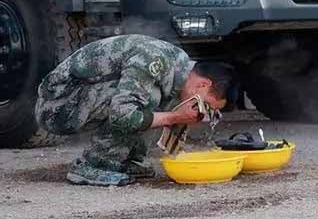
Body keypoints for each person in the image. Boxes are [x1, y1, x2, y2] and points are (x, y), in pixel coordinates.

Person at [35, 34, 234, 186]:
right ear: (203, 84)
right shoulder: (155, 59)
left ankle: (123, 159)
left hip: (79, 100)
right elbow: (122, 115)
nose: (203, 111)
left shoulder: (180, 67)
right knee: (147, 100)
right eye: (206, 105)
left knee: (158, 102)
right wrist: (175, 116)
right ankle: (93, 165)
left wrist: (177, 117)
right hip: (57, 108)